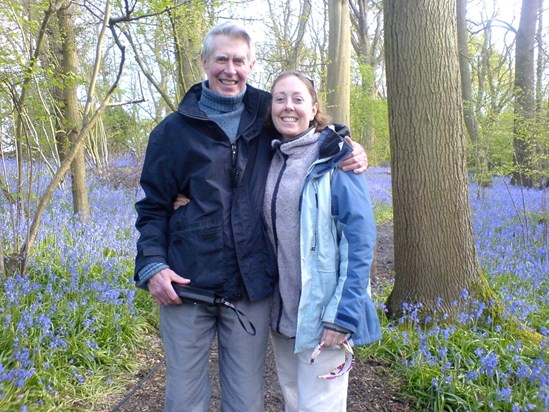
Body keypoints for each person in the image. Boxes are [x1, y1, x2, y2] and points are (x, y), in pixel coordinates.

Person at [134, 22, 368, 412]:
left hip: (250, 286)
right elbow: (153, 207)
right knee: (184, 395)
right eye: (221, 59)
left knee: (246, 398)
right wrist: (152, 266)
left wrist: (346, 143)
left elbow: (310, 125)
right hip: (186, 284)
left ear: (251, 64)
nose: (230, 69)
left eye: (239, 60)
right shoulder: (172, 132)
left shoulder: (266, 113)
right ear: (204, 61)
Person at [263, 70, 382, 412]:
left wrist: (342, 317)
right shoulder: (270, 156)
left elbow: (359, 242)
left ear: (314, 108)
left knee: (320, 407)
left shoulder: (337, 159)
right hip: (284, 313)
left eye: (298, 99)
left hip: (324, 314)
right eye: (280, 99)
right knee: (294, 399)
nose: (288, 107)